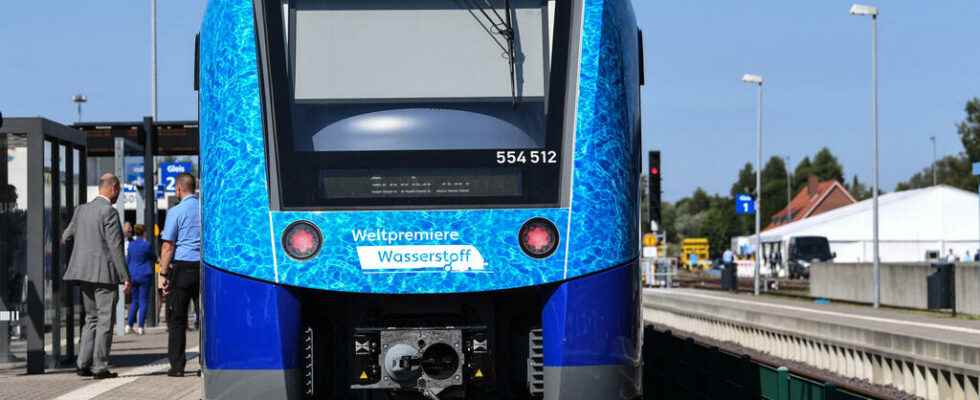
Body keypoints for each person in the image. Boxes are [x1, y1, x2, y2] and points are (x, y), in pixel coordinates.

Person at [61, 173, 131, 380]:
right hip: (104, 275)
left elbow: (66, 236)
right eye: (118, 191)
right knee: (104, 321)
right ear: (114, 188)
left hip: (82, 273)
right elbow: (116, 247)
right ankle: (99, 366)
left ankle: (82, 363)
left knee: (90, 318)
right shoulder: (108, 212)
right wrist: (125, 276)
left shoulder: (81, 210)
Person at [159, 173, 201, 377]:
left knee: (177, 319)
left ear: (178, 189)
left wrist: (163, 274)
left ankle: (177, 367)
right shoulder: (206, 209)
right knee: (206, 318)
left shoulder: (176, 212)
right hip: (205, 269)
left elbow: (168, 246)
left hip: (182, 270)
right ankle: (207, 364)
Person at [125, 224, 155, 335]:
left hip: (133, 274)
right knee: (143, 301)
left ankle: (129, 325)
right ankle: (141, 326)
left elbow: (128, 260)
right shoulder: (146, 245)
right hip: (145, 274)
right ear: (144, 232)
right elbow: (153, 257)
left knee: (134, 301)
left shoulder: (131, 245)